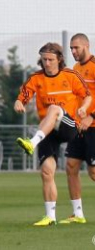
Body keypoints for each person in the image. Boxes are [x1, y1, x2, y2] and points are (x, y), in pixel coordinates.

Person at [15, 42, 92, 226]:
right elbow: (23, 96)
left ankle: (32, 143)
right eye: (44, 59)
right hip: (48, 130)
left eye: (50, 59)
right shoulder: (36, 78)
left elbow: (88, 95)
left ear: (59, 59)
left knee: (54, 108)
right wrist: (19, 103)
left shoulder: (71, 75)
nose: (47, 63)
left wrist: (83, 108)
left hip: (69, 126)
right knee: (47, 172)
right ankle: (50, 216)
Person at [58, 33, 95, 224]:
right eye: (71, 48)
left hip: (94, 126)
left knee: (93, 172)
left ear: (86, 46)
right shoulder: (75, 69)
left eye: (76, 48)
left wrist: (92, 116)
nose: (73, 51)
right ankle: (78, 214)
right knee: (71, 166)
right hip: (78, 126)